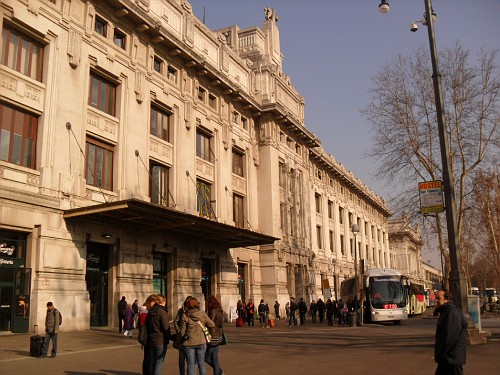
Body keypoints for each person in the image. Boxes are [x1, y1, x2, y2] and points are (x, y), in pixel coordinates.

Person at [434, 290, 467, 375]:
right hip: (448, 358)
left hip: (451, 358)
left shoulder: (451, 313)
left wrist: (443, 352)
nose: (436, 300)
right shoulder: (446, 311)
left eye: (439, 298)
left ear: (447, 299)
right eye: (436, 298)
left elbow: (451, 337)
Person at [180, 296, 215, 375]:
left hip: (189, 343)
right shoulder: (202, 313)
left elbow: (182, 332)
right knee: (201, 364)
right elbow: (212, 324)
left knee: (191, 364)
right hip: (201, 342)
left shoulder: (185, 315)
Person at [146, 294, 170, 375]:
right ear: (163, 302)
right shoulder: (162, 312)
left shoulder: (150, 311)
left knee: (153, 361)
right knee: (159, 362)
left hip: (152, 339)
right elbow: (166, 327)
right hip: (160, 340)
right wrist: (170, 336)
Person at [205, 295, 225, 375]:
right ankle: (219, 372)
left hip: (213, 336)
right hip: (219, 335)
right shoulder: (220, 310)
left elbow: (211, 323)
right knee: (215, 359)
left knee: (206, 357)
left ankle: (219, 371)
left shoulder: (213, 310)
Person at [174, 296, 192, 375]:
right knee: (181, 359)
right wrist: (178, 331)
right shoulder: (181, 311)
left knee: (190, 360)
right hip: (181, 337)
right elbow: (176, 321)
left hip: (190, 337)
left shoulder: (194, 311)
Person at [140, 294, 157, 375]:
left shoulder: (146, 311)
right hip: (147, 336)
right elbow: (143, 325)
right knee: (148, 357)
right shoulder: (145, 311)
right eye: (154, 302)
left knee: (149, 356)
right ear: (150, 302)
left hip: (148, 335)